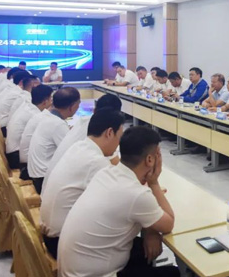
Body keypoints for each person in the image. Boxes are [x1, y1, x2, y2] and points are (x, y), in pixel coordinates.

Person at [58, 126, 178, 277]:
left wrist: (151, 230)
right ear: (150, 159)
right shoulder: (136, 194)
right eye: (158, 155)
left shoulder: (106, 172)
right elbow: (168, 224)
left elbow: (136, 207)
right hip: (93, 274)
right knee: (173, 273)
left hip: (75, 268)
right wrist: (154, 183)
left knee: (140, 249)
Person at [40, 108, 125, 258]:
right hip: (62, 243)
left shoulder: (79, 147)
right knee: (133, 244)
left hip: (51, 233)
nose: (119, 143)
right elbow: (122, 198)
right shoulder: (95, 162)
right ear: (109, 133)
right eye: (120, 137)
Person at [46, 94, 123, 181]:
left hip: (50, 179)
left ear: (94, 110)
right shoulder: (100, 131)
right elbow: (116, 168)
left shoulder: (84, 123)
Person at [27, 87, 81, 194]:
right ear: (72, 106)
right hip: (43, 179)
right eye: (78, 104)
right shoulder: (58, 124)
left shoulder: (49, 117)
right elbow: (72, 153)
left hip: (37, 174)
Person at [5, 85, 53, 170]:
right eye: (51, 99)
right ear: (45, 102)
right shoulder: (35, 115)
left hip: (13, 153)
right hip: (16, 157)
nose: (52, 102)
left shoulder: (27, 107)